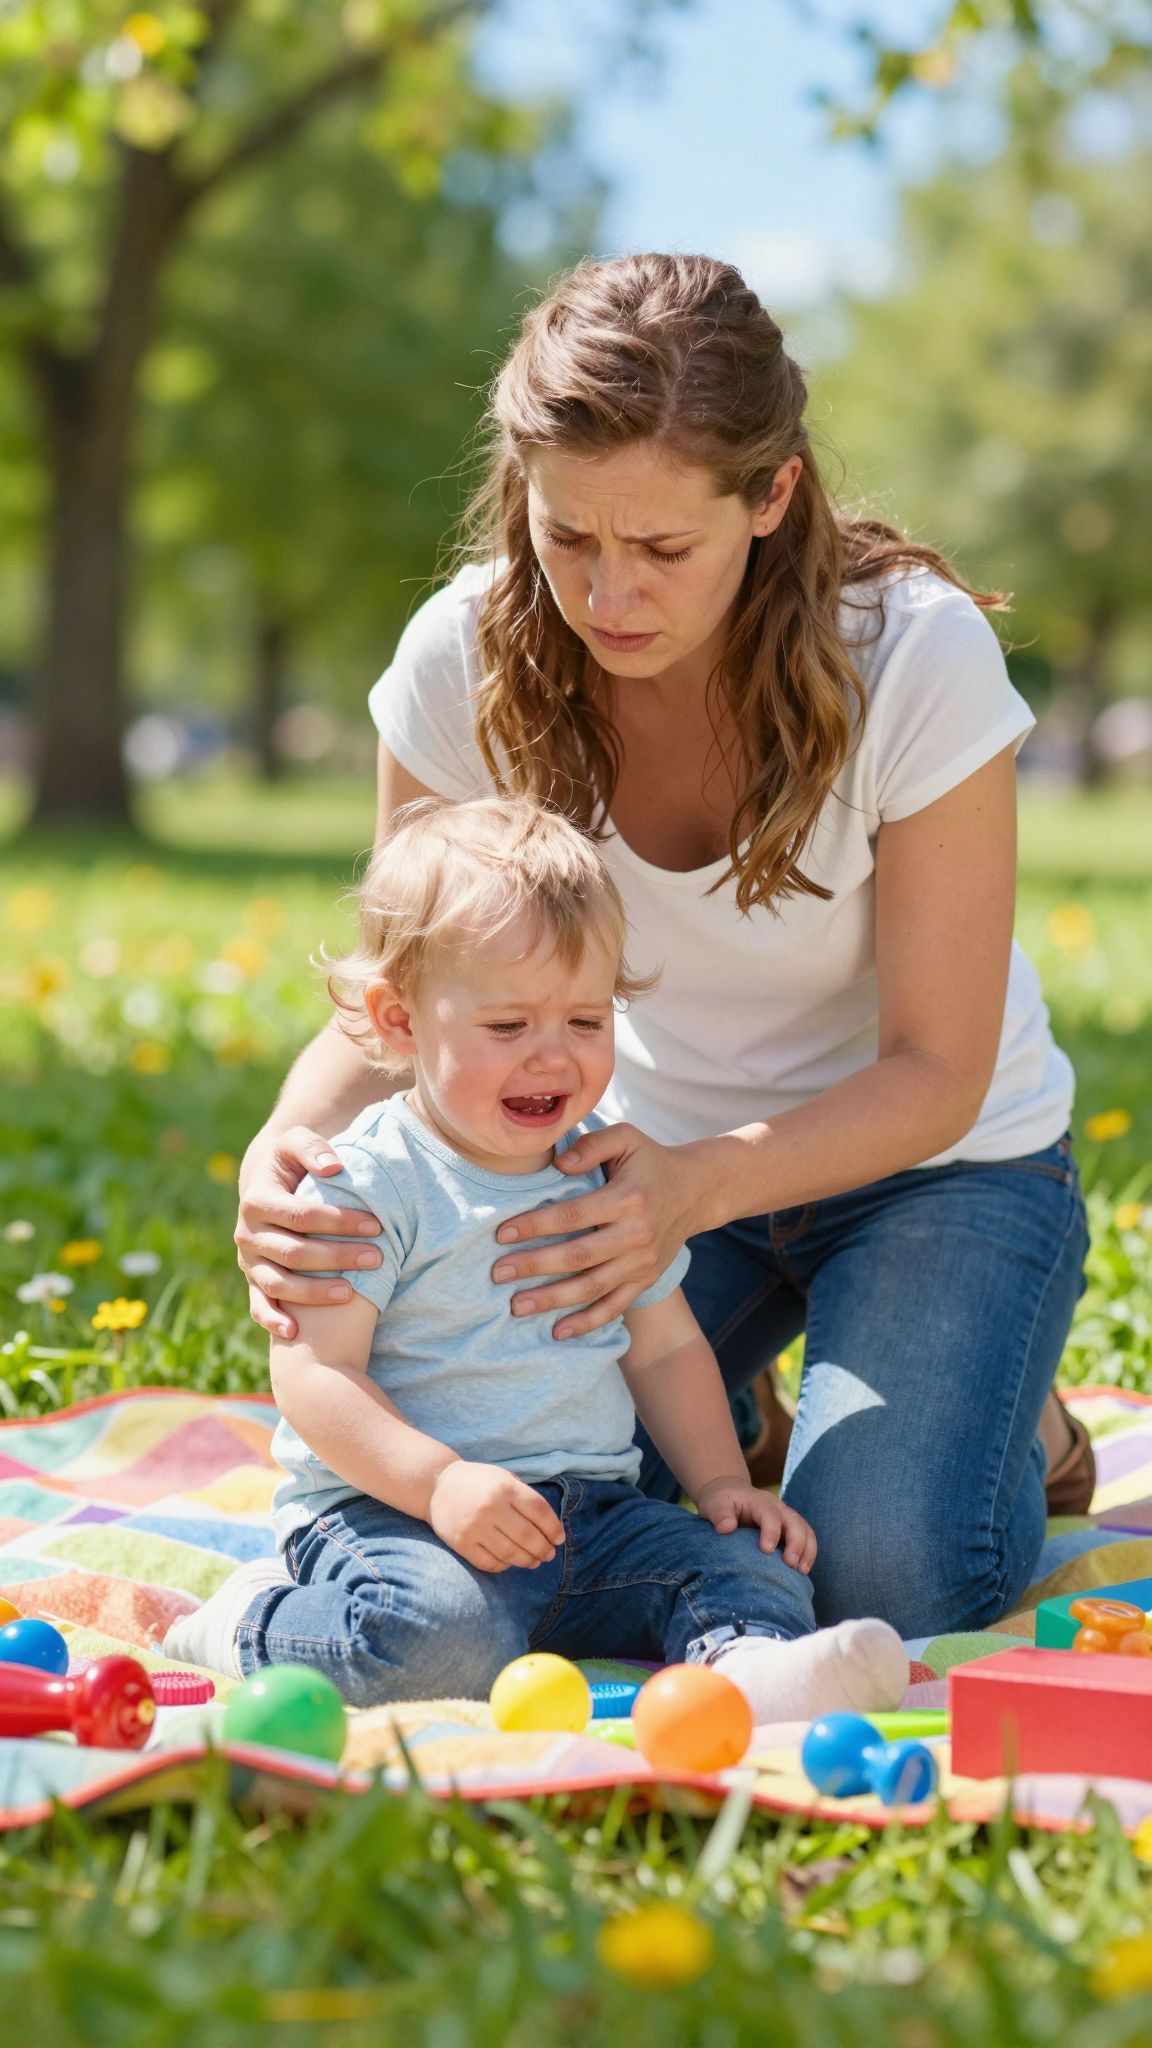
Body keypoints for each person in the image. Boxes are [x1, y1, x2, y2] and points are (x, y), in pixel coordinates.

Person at [232, 252, 1091, 1643]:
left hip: (938, 1168)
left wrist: (697, 1187)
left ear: (772, 496)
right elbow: (410, 993)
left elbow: (941, 1067)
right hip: (637, 1172)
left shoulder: (912, 657)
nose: (607, 592)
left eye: (663, 549)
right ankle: (748, 1407)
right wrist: (284, 1150)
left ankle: (1015, 1413)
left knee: (877, 1571)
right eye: (568, 535)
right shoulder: (464, 657)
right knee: (536, 1505)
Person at [168, 798, 909, 1716]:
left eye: (586, 1021)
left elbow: (667, 1348)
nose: (553, 1059)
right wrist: (439, 1482)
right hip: (395, 1517)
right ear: (399, 1021)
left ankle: (749, 1669)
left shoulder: (600, 1175)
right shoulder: (365, 1182)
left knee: (748, 1561)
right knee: (443, 1637)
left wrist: (722, 1483)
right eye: (508, 1027)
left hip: (590, 1519)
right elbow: (316, 1376)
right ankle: (252, 1620)